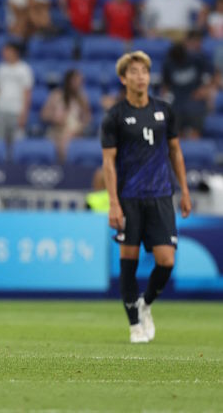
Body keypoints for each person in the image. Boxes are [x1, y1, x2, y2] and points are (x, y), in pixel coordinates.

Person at [101, 51, 191, 343]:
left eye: (144, 72)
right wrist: (113, 202)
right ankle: (134, 326)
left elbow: (175, 152)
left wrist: (185, 190)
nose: (141, 77)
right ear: (123, 78)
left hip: (161, 195)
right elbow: (108, 163)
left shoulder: (165, 111)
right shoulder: (115, 116)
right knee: (130, 259)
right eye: (134, 72)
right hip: (129, 197)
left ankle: (146, 303)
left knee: (166, 261)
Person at [0, 41, 33, 148]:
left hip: (16, 110)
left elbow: (27, 93)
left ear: (15, 52)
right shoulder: (0, 68)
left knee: (17, 142)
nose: (4, 53)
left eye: (7, 51)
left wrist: (24, 114)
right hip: (0, 109)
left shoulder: (24, 69)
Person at [41, 69, 91, 161]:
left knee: (67, 140)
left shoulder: (82, 97)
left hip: (75, 133)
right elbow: (44, 115)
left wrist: (80, 127)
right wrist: (54, 118)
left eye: (80, 81)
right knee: (59, 140)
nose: (79, 83)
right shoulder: (56, 95)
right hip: (56, 130)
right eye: (76, 80)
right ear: (69, 81)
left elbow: (87, 118)